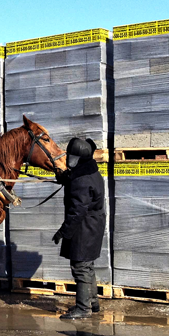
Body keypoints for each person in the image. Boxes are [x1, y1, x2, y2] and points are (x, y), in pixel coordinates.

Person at [52, 137, 106, 320]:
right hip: (93, 225)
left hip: (83, 228)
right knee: (88, 266)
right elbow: (79, 185)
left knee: (80, 268)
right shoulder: (91, 173)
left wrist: (63, 232)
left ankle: (83, 308)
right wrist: (67, 179)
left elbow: (77, 211)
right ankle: (93, 303)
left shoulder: (81, 181)